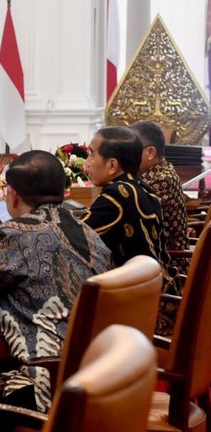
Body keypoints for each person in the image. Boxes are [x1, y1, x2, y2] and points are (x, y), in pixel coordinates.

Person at [0, 151, 112, 413]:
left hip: (47, 381)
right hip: (96, 371)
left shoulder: (15, 234)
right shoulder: (86, 230)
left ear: (13, 194)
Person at [82, 126, 179, 333]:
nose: (87, 162)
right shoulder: (142, 188)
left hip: (147, 312)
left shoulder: (116, 196)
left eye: (91, 153)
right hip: (163, 295)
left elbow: (72, 238)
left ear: (112, 165)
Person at [132, 120, 189, 275]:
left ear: (150, 152)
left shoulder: (162, 180)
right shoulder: (158, 170)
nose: (126, 156)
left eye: (132, 150)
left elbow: (135, 221)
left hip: (167, 265)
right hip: (152, 256)